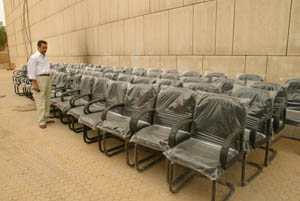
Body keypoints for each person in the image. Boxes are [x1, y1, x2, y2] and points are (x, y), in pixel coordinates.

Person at [27, 40, 54, 129]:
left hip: (47, 78)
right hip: (39, 79)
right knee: (40, 100)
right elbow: (31, 71)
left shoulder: (46, 57)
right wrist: (34, 84)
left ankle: (46, 117)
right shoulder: (34, 58)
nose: (45, 49)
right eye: (43, 48)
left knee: (47, 99)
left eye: (46, 48)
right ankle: (41, 120)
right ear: (38, 47)